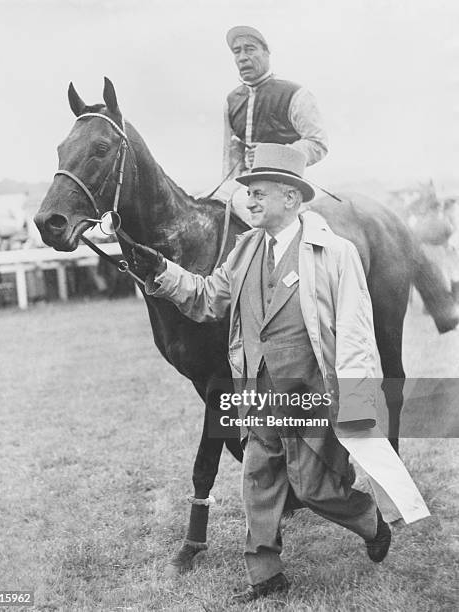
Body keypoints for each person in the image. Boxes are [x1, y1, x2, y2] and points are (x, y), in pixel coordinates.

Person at [129, 144, 430, 602]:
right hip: (258, 391)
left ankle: (367, 520)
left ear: (290, 197)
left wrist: (355, 402)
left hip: (312, 394)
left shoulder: (337, 254)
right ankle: (266, 574)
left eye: (259, 192)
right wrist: (163, 272)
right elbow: (209, 299)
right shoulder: (244, 250)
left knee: (313, 488)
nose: (248, 200)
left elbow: (355, 336)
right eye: (247, 191)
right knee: (259, 478)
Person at [222, 25, 328, 179]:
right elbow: (231, 157)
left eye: (250, 49)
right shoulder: (231, 100)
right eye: (237, 51)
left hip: (285, 182)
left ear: (266, 53)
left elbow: (318, 144)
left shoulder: (296, 94)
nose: (242, 57)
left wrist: (272, 155)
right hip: (244, 183)